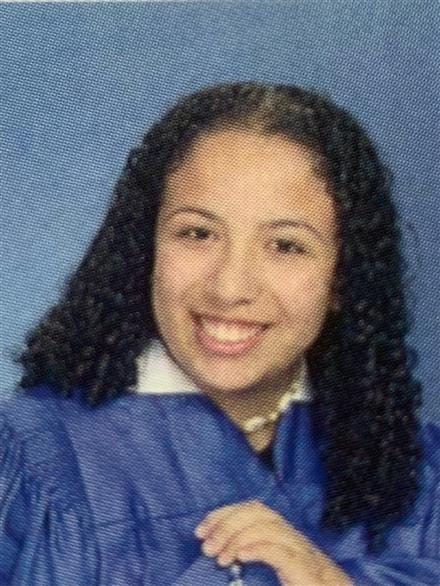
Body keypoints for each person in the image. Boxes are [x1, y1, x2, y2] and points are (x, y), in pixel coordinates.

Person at [0, 82, 439, 586]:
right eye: (198, 233)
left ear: (342, 277)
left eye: (286, 246)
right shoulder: (40, 458)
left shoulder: (417, 469)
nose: (230, 288)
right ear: (147, 251)